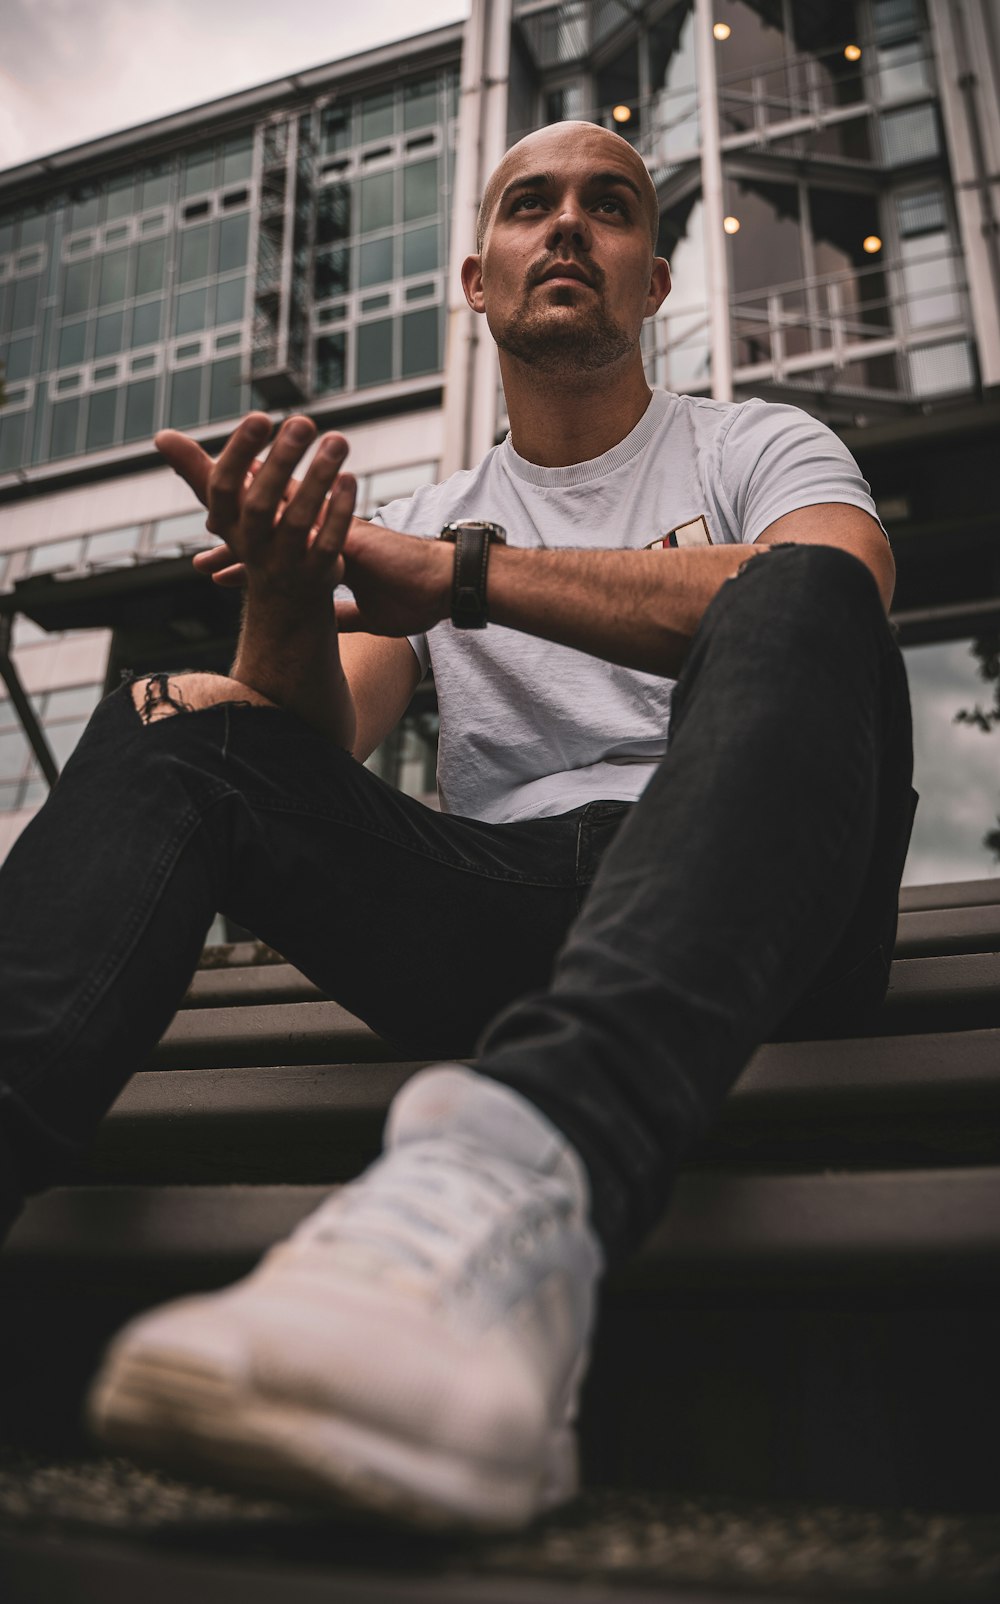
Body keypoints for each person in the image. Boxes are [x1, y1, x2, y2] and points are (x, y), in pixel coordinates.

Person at [0, 122, 913, 1531]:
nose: (568, 228)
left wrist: (464, 575)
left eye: (609, 209)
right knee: (176, 720)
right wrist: (290, 599)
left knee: (797, 589)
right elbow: (302, 761)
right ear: (478, 280)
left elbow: (842, 606)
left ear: (655, 280)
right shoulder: (434, 511)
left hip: (765, 902)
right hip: (504, 908)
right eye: (531, 206)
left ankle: (511, 1189)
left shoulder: (756, 443)